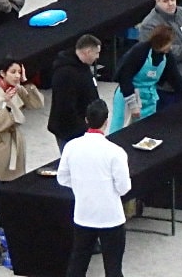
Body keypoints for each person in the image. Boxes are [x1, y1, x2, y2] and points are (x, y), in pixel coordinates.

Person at [0, 57, 44, 265]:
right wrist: (6, 105)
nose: (16, 75)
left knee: (11, 203)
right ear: (2, 74)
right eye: (13, 72)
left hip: (15, 151)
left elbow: (37, 103)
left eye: (18, 72)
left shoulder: (18, 89)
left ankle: (7, 242)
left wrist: (25, 84)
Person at [58, 99, 131, 277]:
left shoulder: (71, 147)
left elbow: (62, 178)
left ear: (86, 120)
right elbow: (124, 187)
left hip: (84, 214)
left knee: (77, 264)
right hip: (110, 216)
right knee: (113, 269)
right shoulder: (116, 151)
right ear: (106, 122)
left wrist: (81, 187)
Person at [108, 24, 182, 133]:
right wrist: (133, 104)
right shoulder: (140, 51)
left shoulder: (167, 56)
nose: (171, 46)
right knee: (119, 131)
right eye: (169, 43)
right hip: (127, 97)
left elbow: (177, 81)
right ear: (161, 42)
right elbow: (124, 76)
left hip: (148, 99)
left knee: (145, 132)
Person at [48, 35, 102, 152]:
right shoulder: (65, 73)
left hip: (83, 128)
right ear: (88, 52)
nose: (98, 57)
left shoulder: (82, 66)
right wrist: (84, 129)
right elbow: (65, 108)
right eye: (96, 53)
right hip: (70, 132)